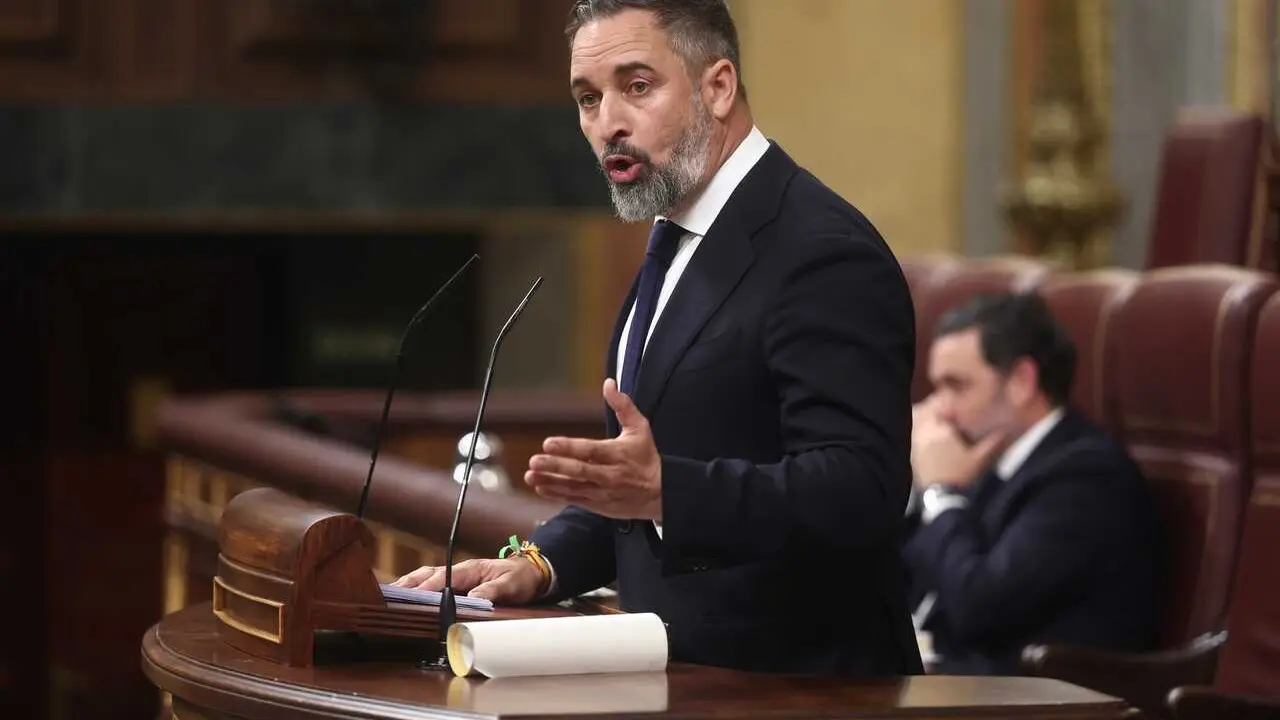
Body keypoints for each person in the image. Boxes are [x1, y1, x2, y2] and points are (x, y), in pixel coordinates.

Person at [395, 0, 921, 676]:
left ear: (718, 86)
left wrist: (668, 491)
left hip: (806, 689)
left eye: (637, 86)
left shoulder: (820, 250)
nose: (608, 122)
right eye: (588, 98)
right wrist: (540, 562)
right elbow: (638, 490)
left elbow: (861, 489)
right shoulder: (676, 239)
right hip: (689, 683)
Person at [904, 292, 1163, 675]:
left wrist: (940, 491)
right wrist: (913, 481)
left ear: (1022, 381)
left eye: (956, 386)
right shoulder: (991, 459)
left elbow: (979, 604)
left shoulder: (1086, 478)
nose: (939, 409)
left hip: (1034, 701)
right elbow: (905, 574)